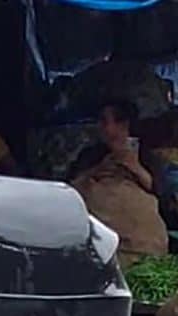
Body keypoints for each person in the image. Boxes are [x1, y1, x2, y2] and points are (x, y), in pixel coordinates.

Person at [69, 99, 167, 267]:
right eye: (104, 122)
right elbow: (71, 189)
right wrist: (100, 168)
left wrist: (134, 166)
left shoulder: (145, 155)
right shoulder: (90, 155)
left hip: (139, 235)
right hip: (101, 233)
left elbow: (161, 194)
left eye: (118, 121)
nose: (110, 129)